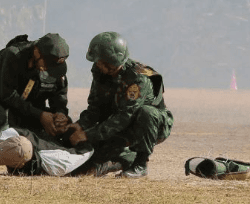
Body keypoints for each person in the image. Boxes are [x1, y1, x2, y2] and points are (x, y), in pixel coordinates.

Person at [67, 32, 174, 178]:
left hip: (148, 125)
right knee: (95, 158)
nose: (95, 64)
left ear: (110, 62)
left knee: (146, 112)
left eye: (98, 61)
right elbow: (95, 108)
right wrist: (80, 126)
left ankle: (140, 164)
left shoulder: (138, 78)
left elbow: (125, 116)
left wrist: (87, 135)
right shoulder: (101, 73)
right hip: (118, 123)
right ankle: (125, 158)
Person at [0, 33, 72, 175]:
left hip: (25, 110)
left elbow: (59, 98)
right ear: (36, 52)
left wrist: (60, 115)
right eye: (47, 65)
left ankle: (25, 164)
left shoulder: (55, 68)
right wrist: (40, 115)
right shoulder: (13, 56)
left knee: (63, 127)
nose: (48, 70)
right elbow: (8, 95)